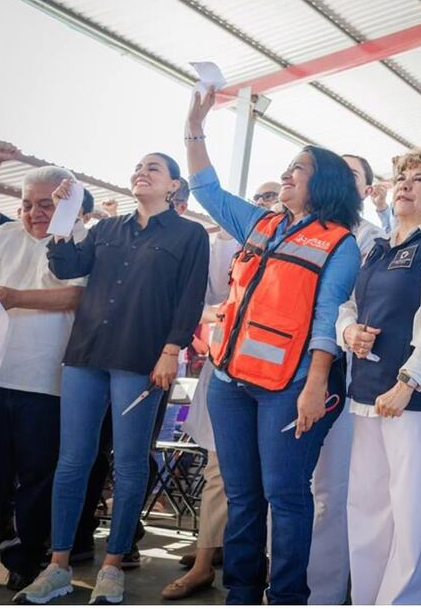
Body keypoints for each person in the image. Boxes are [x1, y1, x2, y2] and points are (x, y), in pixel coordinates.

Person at [184, 89, 363, 604]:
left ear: (322, 182)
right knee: (242, 498)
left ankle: (285, 597)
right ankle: (240, 593)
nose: (286, 175)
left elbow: (328, 318)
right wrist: (194, 124)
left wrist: (315, 387)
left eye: (298, 169)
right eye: (287, 167)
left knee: (284, 497)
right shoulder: (260, 223)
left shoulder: (339, 242)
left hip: (290, 388)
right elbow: (207, 188)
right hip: (229, 383)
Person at [15, 152, 209, 605]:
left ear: (174, 186)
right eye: (138, 168)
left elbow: (190, 297)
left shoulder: (190, 234)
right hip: (86, 354)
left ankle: (113, 566)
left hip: (141, 360)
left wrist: (170, 351)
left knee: (130, 464)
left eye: (153, 169)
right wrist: (65, 212)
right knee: (72, 461)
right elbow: (64, 266)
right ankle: (58, 566)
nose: (141, 173)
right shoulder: (106, 228)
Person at [338, 149, 421, 604]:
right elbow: (347, 305)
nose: (405, 185)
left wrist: (407, 382)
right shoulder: (377, 247)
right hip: (365, 396)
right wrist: (349, 331)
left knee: (412, 515)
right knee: (368, 510)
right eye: (402, 178)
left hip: (414, 399)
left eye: (419, 180)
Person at [161, 181, 279, 601]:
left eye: (271, 197)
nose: (265, 204)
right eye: (260, 198)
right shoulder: (224, 242)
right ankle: (202, 564)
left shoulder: (295, 241)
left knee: (274, 480)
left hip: (276, 379)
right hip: (227, 370)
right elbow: (205, 298)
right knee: (219, 472)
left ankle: (262, 566)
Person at [0, 143, 86, 593]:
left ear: (66, 204)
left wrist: (16, 298)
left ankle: (26, 556)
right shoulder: (2, 237)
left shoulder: (78, 239)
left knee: (35, 474)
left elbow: (76, 296)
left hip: (46, 378)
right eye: (27, 204)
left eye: (45, 204)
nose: (34, 213)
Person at [303, 155, 386, 605]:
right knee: (286, 491)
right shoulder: (299, 229)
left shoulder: (372, 239)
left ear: (367, 191)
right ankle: (284, 585)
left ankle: (323, 594)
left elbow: (353, 306)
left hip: (343, 376)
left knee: (331, 491)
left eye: (352, 174)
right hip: (287, 374)